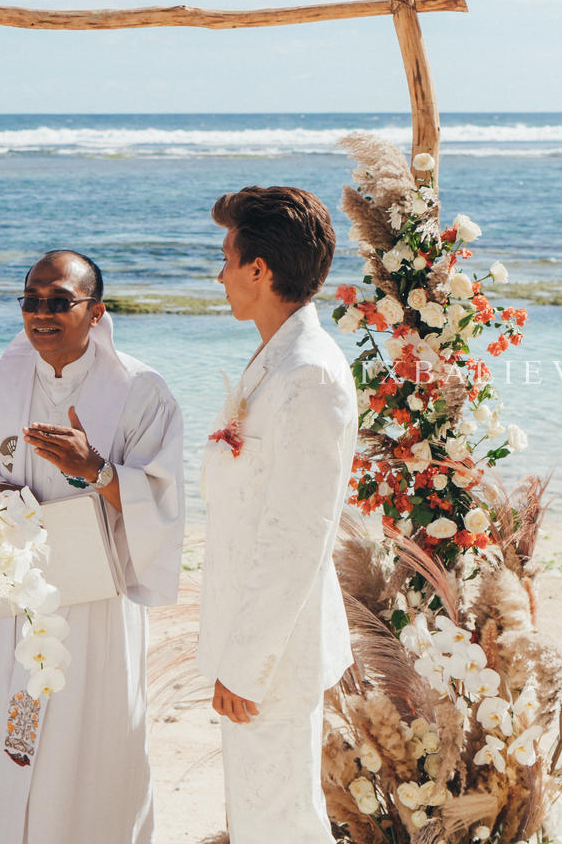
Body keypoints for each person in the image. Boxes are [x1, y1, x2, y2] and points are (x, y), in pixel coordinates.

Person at [0, 250, 185, 844]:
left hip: (97, 597)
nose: (41, 314)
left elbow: (162, 503)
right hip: (15, 591)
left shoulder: (142, 392)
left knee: (91, 740)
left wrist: (96, 471)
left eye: (59, 302)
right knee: (6, 729)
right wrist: (3, 499)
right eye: (31, 301)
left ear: (96, 312)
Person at [197, 187, 357, 843]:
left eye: (226, 258)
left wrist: (247, 663)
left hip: (275, 655)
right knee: (262, 820)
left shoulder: (308, 377)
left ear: (259, 269)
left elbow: (298, 536)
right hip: (250, 636)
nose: (220, 274)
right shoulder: (277, 360)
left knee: (281, 823)